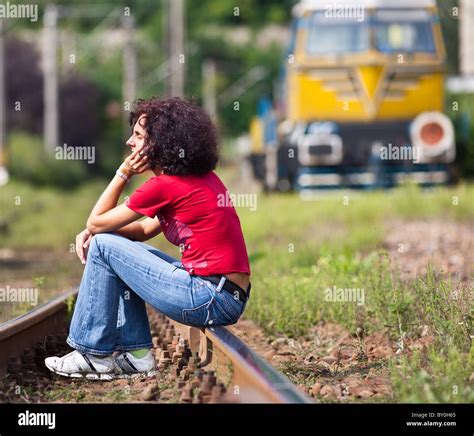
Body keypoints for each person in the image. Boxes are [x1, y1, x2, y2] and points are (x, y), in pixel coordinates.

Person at [45, 97, 251, 380]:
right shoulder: (197, 180)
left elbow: (95, 220)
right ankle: (138, 357)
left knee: (104, 246)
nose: (130, 142)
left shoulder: (165, 186)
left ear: (160, 143)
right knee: (111, 244)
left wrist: (123, 173)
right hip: (224, 295)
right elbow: (142, 231)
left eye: (139, 136)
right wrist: (98, 230)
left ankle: (92, 354)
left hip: (208, 296)